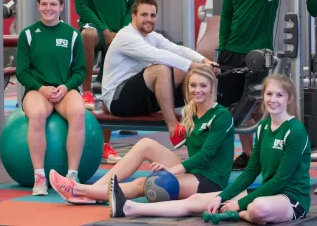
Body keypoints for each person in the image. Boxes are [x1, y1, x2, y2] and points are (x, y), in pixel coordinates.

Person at [109, 74, 310, 225]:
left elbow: (279, 181)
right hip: (267, 193)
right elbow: (250, 171)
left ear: (289, 99)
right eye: (269, 94)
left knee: (257, 208)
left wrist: (238, 204)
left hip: (290, 198)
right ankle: (130, 207)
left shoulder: (295, 132)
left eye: (279, 95)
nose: (273, 100)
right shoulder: (264, 128)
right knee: (200, 199)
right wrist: (223, 197)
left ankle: (238, 213)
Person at [49, 65, 235, 205]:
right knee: (146, 143)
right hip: (195, 170)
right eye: (193, 85)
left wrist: (170, 171)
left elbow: (204, 156)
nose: (197, 90)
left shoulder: (221, 116)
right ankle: (94, 191)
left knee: (144, 183)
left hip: (211, 180)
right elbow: (189, 149)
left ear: (212, 87)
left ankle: (78, 190)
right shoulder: (191, 111)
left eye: (203, 85)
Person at [217, 0, 307, 170]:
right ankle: (247, 154)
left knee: (255, 106)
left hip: (257, 55)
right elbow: (227, 16)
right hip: (230, 52)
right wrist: (221, 49)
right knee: (233, 108)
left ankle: (271, 150)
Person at [102, 0, 220, 147]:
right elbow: (157, 55)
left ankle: (194, 121)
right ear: (133, 16)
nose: (149, 19)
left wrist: (204, 61)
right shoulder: (126, 36)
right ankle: (173, 129)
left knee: (183, 70)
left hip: (138, 97)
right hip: (117, 101)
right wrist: (192, 65)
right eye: (144, 15)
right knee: (161, 69)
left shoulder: (152, 36)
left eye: (152, 15)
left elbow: (179, 50)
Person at [74, 0, 139, 163]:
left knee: (111, 91)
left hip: (117, 33)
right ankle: (87, 91)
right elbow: (81, 5)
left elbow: (132, 7)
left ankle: (105, 146)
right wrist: (104, 30)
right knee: (87, 35)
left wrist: (119, 32)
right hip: (95, 29)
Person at [16, 0, 86, 196]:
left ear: (62, 7)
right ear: (38, 6)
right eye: (44, 4)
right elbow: (22, 72)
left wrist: (66, 86)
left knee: (79, 113)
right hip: (37, 90)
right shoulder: (28, 35)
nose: (49, 8)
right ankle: (39, 177)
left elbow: (80, 70)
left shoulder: (73, 35)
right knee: (37, 115)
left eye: (53, 4)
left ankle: (72, 175)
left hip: (65, 89)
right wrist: (41, 88)